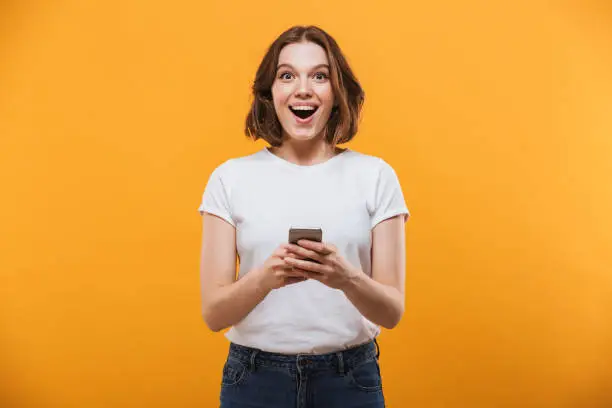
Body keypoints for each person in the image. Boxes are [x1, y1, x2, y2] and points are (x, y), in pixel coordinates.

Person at [198, 25, 410, 408]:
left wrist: (346, 278)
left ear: (336, 92)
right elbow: (214, 314)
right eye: (287, 75)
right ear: (270, 93)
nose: (303, 89)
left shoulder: (376, 176)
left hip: (350, 380)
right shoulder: (229, 178)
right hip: (254, 380)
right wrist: (267, 277)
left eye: (319, 75)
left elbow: (392, 311)